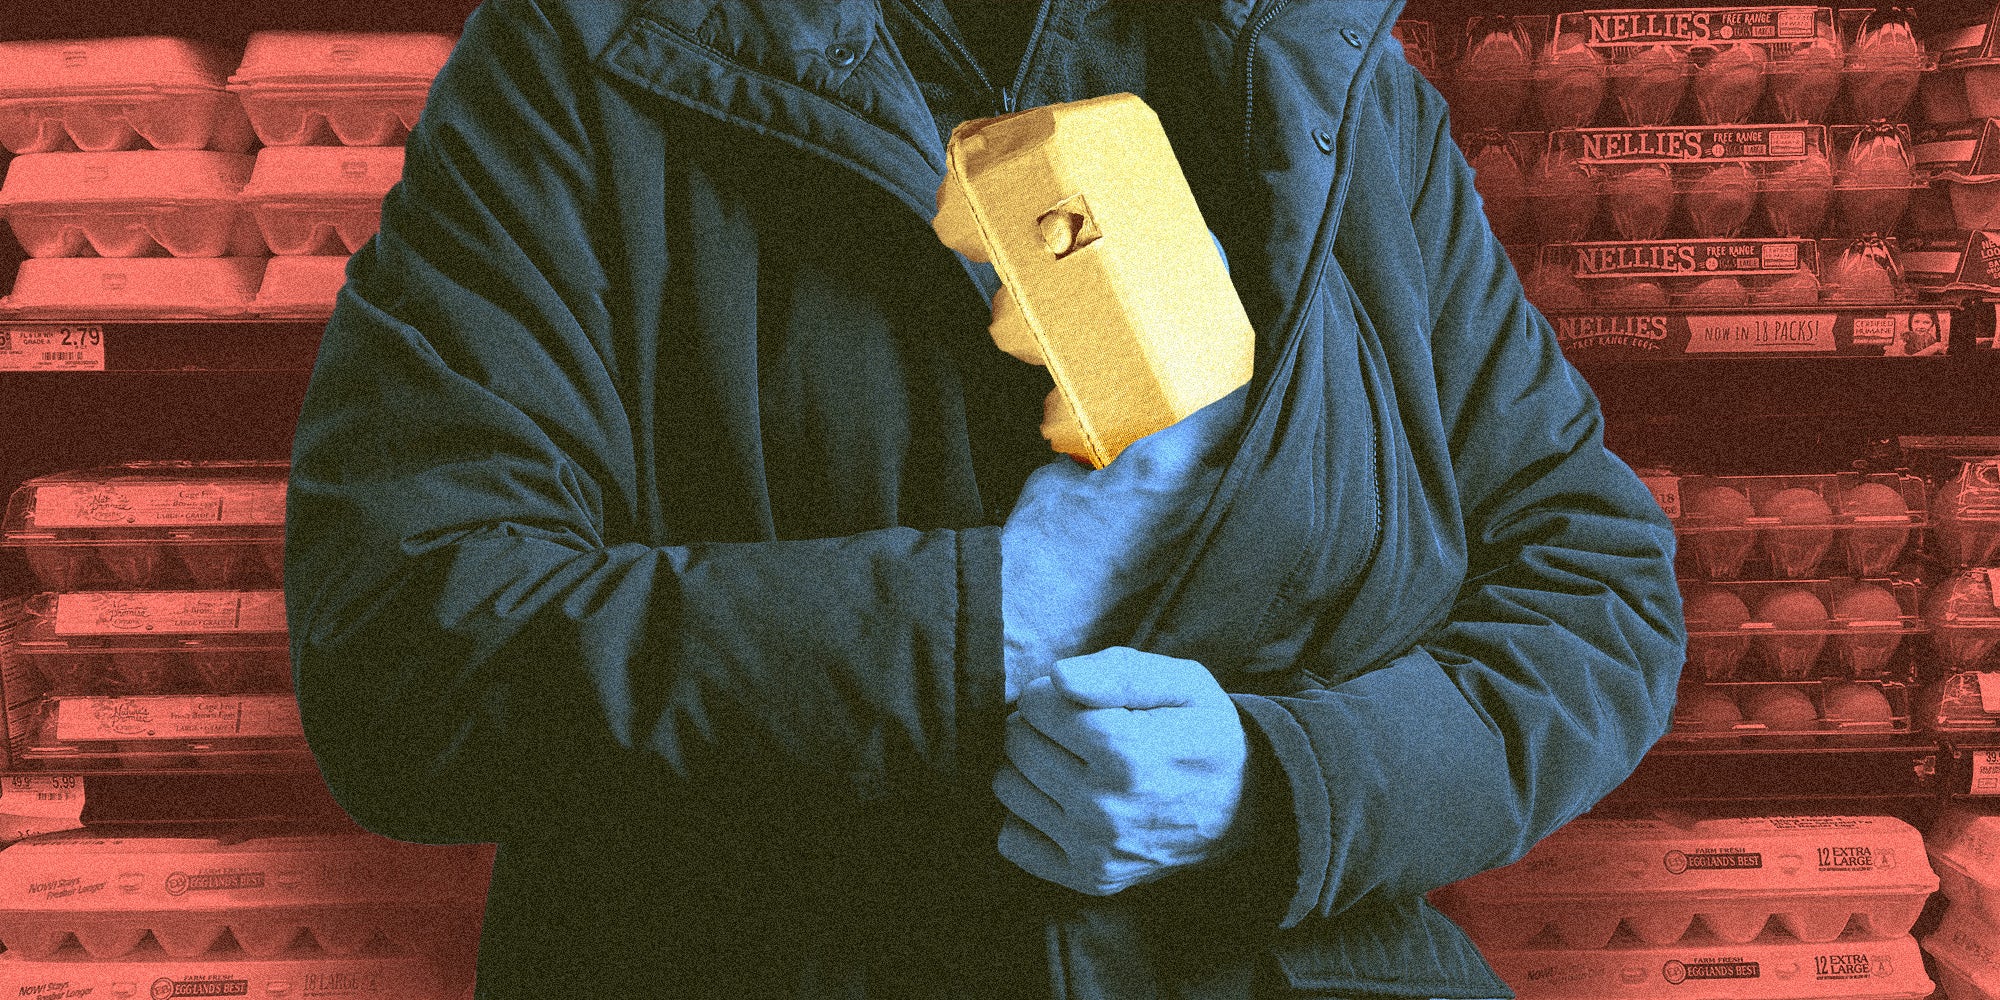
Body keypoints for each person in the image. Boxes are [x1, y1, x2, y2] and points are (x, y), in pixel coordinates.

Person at [281, 1, 1688, 997]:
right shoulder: (587, 63)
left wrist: (1283, 786)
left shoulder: (1326, 81)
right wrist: (991, 619)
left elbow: (1594, 587)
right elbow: (406, 647)